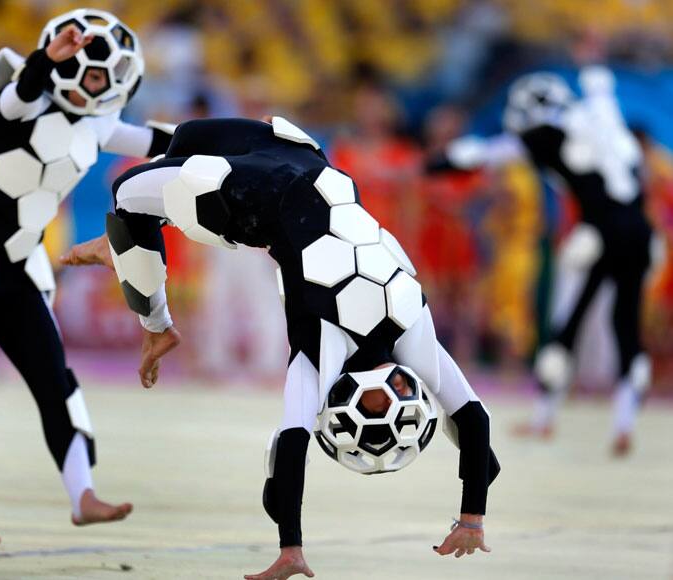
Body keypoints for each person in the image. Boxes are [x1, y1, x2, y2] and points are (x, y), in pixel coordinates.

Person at [62, 117, 499, 579]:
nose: (385, 389)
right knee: (160, 166)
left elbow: (292, 446)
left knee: (143, 181)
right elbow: (474, 423)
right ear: (405, 390)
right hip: (290, 166)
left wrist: (291, 547)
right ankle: (149, 304)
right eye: (389, 397)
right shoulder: (410, 338)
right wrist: (473, 516)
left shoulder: (330, 350)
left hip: (280, 180)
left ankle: (131, 253)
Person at [0, 9, 175, 552]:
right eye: (78, 67)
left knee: (57, 382)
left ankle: (83, 494)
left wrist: (242, 143)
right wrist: (41, 63)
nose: (88, 80)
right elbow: (18, 97)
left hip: (19, 266)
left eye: (99, 74)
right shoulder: (12, 102)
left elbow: (163, 139)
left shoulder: (99, 125)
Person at [429, 67, 662, 455]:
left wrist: (440, 163)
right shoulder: (602, 120)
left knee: (566, 324)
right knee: (626, 326)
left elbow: (489, 151)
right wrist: (594, 75)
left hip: (597, 235)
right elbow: (608, 116)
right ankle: (623, 423)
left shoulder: (547, 137)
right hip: (640, 234)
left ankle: (543, 416)